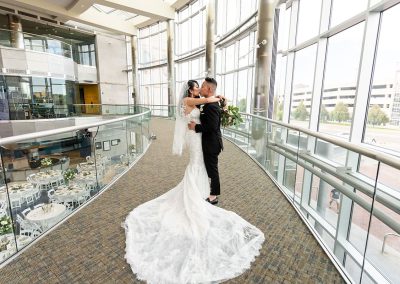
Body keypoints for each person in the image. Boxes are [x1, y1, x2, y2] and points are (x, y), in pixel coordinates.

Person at [124, 79, 264, 284]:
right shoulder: (189, 100)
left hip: (200, 136)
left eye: (201, 86)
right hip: (194, 137)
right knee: (197, 163)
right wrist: (218, 98)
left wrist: (219, 101)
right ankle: (199, 192)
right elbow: (208, 100)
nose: (198, 89)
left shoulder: (199, 99)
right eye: (196, 86)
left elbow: (208, 104)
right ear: (191, 89)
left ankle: (202, 190)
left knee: (201, 165)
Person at [188, 77, 223, 205]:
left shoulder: (212, 106)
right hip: (208, 142)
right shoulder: (209, 103)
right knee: (209, 167)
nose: (200, 88)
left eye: (202, 86)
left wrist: (196, 127)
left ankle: (213, 196)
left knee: (212, 169)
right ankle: (208, 191)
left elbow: (212, 127)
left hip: (212, 143)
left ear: (208, 88)